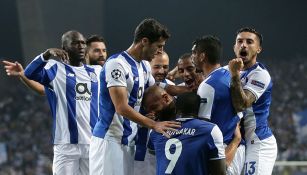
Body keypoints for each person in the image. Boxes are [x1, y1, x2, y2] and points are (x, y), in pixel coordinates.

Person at [89, 18, 182, 175]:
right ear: (144, 41)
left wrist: (186, 89)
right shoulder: (117, 64)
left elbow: (157, 89)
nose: (160, 51)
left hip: (127, 142)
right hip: (109, 141)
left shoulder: (144, 66)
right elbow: (121, 107)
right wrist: (153, 124)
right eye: (159, 46)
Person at [24, 30, 101, 175]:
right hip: (66, 144)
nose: (80, 46)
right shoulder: (55, 68)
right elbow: (30, 73)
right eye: (75, 43)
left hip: (93, 143)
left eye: (83, 43)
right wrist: (46, 54)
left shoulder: (96, 71)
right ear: (64, 48)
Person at [142, 85, 226, 175]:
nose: (153, 114)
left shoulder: (155, 133)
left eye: (154, 108)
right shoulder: (209, 130)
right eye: (149, 111)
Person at [191, 35, 244, 174]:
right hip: (236, 151)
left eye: (194, 53)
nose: (192, 57)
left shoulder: (208, 86)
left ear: (202, 56)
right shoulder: (229, 75)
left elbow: (203, 127)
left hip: (221, 154)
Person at [229, 27, 277, 175]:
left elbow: (242, 104)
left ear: (258, 49)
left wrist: (235, 76)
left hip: (258, 142)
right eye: (239, 41)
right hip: (238, 143)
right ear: (234, 47)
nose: (243, 45)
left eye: (249, 42)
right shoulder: (228, 70)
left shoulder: (260, 74)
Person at [2, 34, 108, 95]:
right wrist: (23, 74)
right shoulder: (62, 71)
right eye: (97, 51)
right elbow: (43, 90)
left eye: (104, 50)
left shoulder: (106, 73)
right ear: (86, 52)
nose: (101, 54)